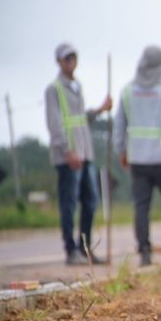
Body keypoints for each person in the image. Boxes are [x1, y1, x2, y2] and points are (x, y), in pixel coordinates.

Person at [113, 46, 161, 267]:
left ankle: (145, 253)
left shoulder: (127, 91)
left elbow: (119, 125)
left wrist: (121, 150)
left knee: (141, 207)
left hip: (138, 160)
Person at [45, 43, 112, 265]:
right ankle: (70, 251)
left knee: (91, 201)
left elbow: (81, 119)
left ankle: (85, 248)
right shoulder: (54, 89)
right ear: (59, 62)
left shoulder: (77, 87)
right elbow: (55, 125)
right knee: (69, 204)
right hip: (69, 157)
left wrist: (100, 110)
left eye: (73, 57)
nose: (71, 61)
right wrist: (67, 151)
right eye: (66, 58)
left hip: (86, 154)